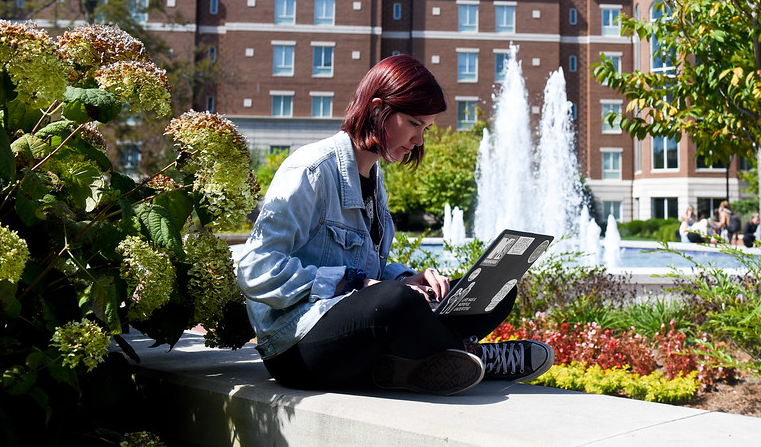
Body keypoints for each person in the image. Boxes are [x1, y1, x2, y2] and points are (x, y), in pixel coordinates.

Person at [236, 54, 553, 395]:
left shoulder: (374, 176)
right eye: (415, 124)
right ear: (377, 109)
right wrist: (356, 282)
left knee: (495, 289)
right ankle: (474, 355)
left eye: (425, 129)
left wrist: (406, 278)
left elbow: (369, 272)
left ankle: (417, 363)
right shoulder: (311, 170)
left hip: (352, 337)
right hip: (296, 347)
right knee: (397, 303)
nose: (419, 141)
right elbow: (255, 269)